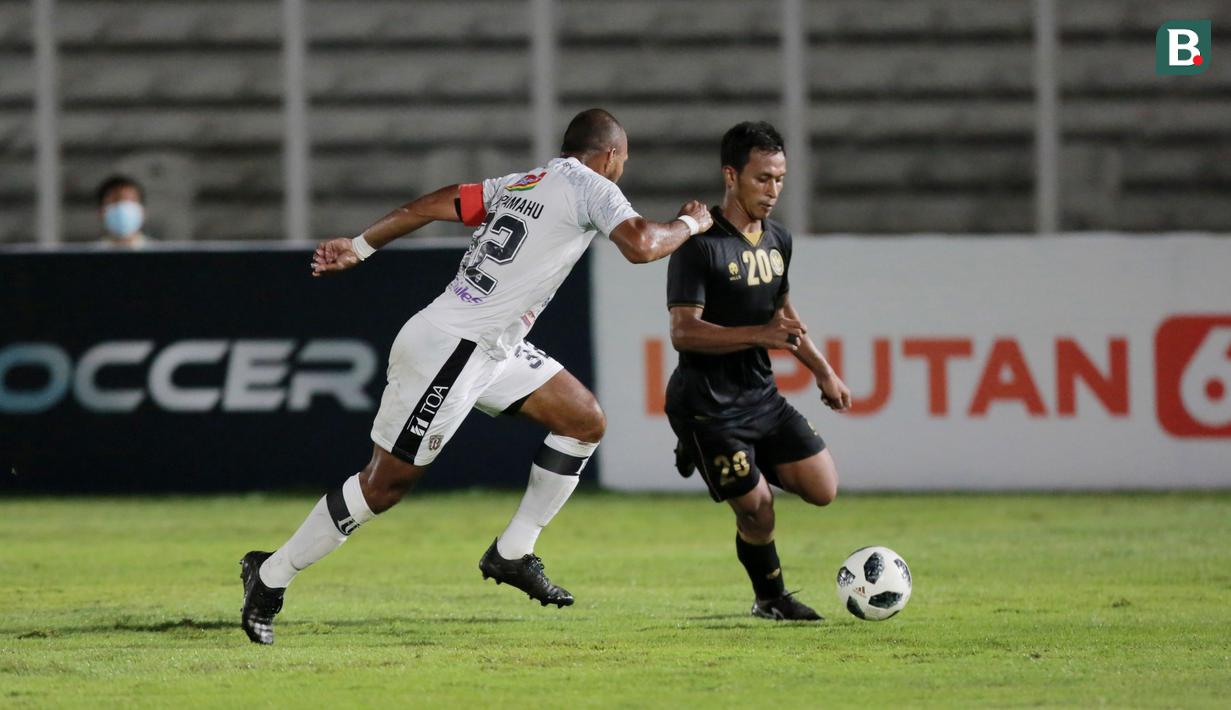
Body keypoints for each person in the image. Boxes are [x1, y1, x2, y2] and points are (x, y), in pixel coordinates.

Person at [239, 108, 714, 644]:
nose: (621, 171)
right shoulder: (591, 186)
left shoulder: (520, 182)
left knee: (582, 420)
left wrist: (361, 245)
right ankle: (270, 574)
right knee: (383, 486)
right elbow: (643, 246)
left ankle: (513, 552)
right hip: (454, 349)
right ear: (609, 155)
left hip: (490, 347)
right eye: (623, 161)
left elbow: (434, 202)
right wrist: (692, 224)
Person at [664, 121, 852, 621]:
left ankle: (726, 465)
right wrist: (758, 335)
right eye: (762, 178)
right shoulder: (699, 243)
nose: (773, 191)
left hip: (760, 397)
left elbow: (784, 320)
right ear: (731, 175)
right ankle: (771, 598)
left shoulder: (778, 241)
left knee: (823, 488)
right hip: (707, 406)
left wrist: (823, 371)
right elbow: (684, 332)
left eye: (780, 179)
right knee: (758, 510)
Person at [96, 175, 153, 248]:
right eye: (115, 200)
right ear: (100, 212)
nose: (122, 206)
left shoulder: (160, 254)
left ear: (143, 212)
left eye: (130, 200)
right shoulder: (88, 256)